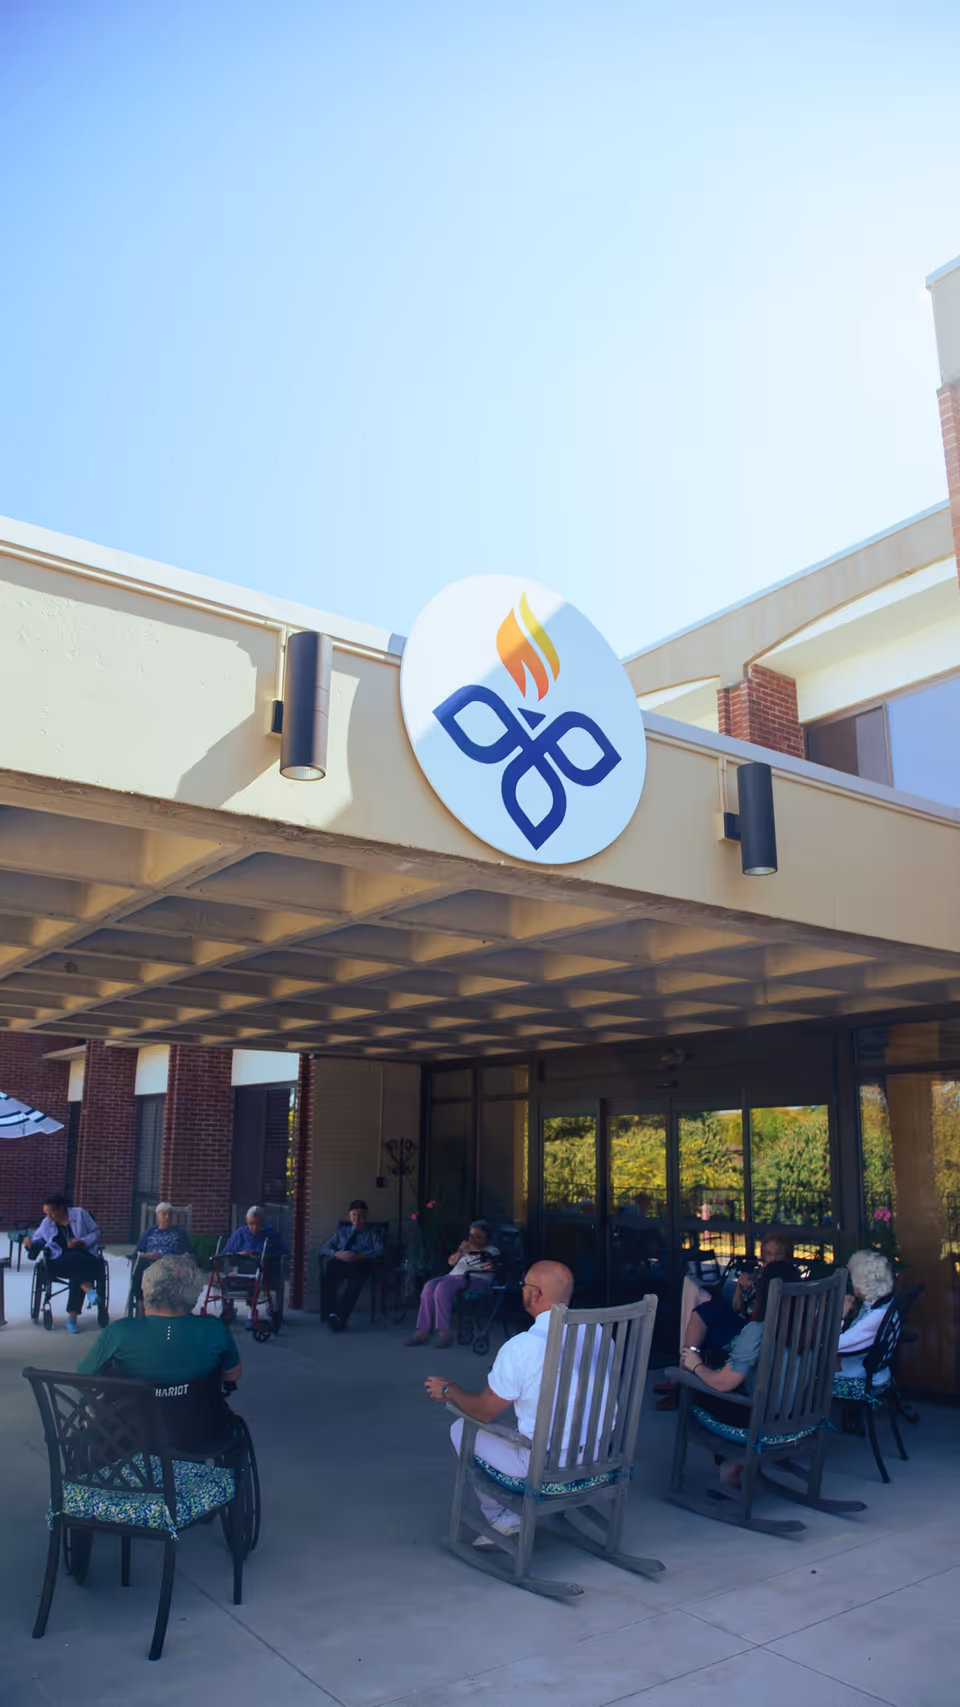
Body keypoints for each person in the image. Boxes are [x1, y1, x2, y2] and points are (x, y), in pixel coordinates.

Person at [423, 1259, 590, 1543]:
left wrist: (450, 1391)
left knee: (462, 1429)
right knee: (513, 1421)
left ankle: (502, 1517)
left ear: (535, 1293)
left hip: (543, 1466)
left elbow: (484, 1412)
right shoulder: (597, 1335)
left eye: (524, 1285)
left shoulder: (522, 1347)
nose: (522, 1289)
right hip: (593, 1459)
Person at [679, 1259, 800, 1485]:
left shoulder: (756, 1331)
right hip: (800, 1417)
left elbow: (724, 1383)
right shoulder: (818, 1328)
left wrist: (695, 1365)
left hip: (763, 1421)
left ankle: (733, 1461)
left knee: (697, 1394)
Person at [655, 1232, 797, 1411]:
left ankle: (687, 1378)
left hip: (755, 1334)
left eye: (778, 1254)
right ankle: (687, 1365)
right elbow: (739, 1308)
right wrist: (740, 1288)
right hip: (751, 1329)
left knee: (711, 1320)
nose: (772, 1258)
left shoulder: (788, 1284)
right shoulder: (760, 1277)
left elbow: (724, 1383)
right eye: (768, 1253)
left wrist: (697, 1366)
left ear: (788, 1256)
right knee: (708, 1310)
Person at [79, 1255, 241, 1384]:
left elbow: (85, 1376)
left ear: (147, 1291)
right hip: (199, 1422)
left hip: (133, 1423)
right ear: (194, 1294)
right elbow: (232, 1376)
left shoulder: (119, 1332)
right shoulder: (215, 1329)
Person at [407, 1220, 499, 1350]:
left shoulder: (491, 1250)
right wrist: (460, 1251)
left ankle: (444, 1333)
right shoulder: (466, 1250)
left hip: (475, 1279)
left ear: (487, 1238)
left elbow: (490, 1265)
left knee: (442, 1288)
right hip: (452, 1277)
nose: (473, 1239)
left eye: (478, 1236)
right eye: (471, 1236)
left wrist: (476, 1251)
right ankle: (423, 1331)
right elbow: (451, 1262)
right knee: (429, 1286)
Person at [25, 1193, 108, 1334]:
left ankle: (73, 1315)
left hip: (83, 1254)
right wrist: (30, 1244)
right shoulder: (47, 1223)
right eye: (46, 1213)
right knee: (78, 1264)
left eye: (51, 1212)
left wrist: (83, 1242)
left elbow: (95, 1232)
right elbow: (39, 1239)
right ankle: (86, 1291)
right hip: (59, 1260)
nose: (49, 1216)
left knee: (78, 1265)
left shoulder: (80, 1214)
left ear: (60, 1208)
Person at [833, 1249, 895, 1399]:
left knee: (807, 1372)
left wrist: (841, 1315)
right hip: (875, 1372)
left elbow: (834, 1345)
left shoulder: (875, 1317)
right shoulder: (884, 1304)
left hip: (864, 1382)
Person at [318, 1200, 384, 1332]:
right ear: (349, 1216)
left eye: (360, 1215)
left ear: (366, 1216)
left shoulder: (371, 1234)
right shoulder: (342, 1232)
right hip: (341, 1262)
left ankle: (338, 1318)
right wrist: (337, 1254)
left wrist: (361, 1255)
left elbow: (379, 1251)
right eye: (354, 1215)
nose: (357, 1219)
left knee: (355, 1283)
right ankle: (331, 1314)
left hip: (360, 1264)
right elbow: (324, 1249)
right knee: (329, 1271)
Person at [129, 1203, 195, 1314]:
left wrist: (185, 1257)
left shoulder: (179, 1233)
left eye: (170, 1214)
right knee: (139, 1269)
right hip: (151, 1265)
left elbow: (190, 1253)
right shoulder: (150, 1232)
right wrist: (148, 1255)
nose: (167, 1217)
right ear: (157, 1216)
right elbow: (137, 1252)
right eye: (164, 1214)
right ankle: (141, 1309)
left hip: (173, 1265)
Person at [223, 1204, 288, 1259]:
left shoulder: (270, 1232)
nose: (254, 1227)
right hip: (242, 1267)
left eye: (258, 1224)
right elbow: (225, 1253)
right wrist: (239, 1254)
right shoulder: (240, 1233)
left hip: (265, 1268)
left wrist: (268, 1256)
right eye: (251, 1224)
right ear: (246, 1220)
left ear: (263, 1221)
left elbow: (284, 1252)